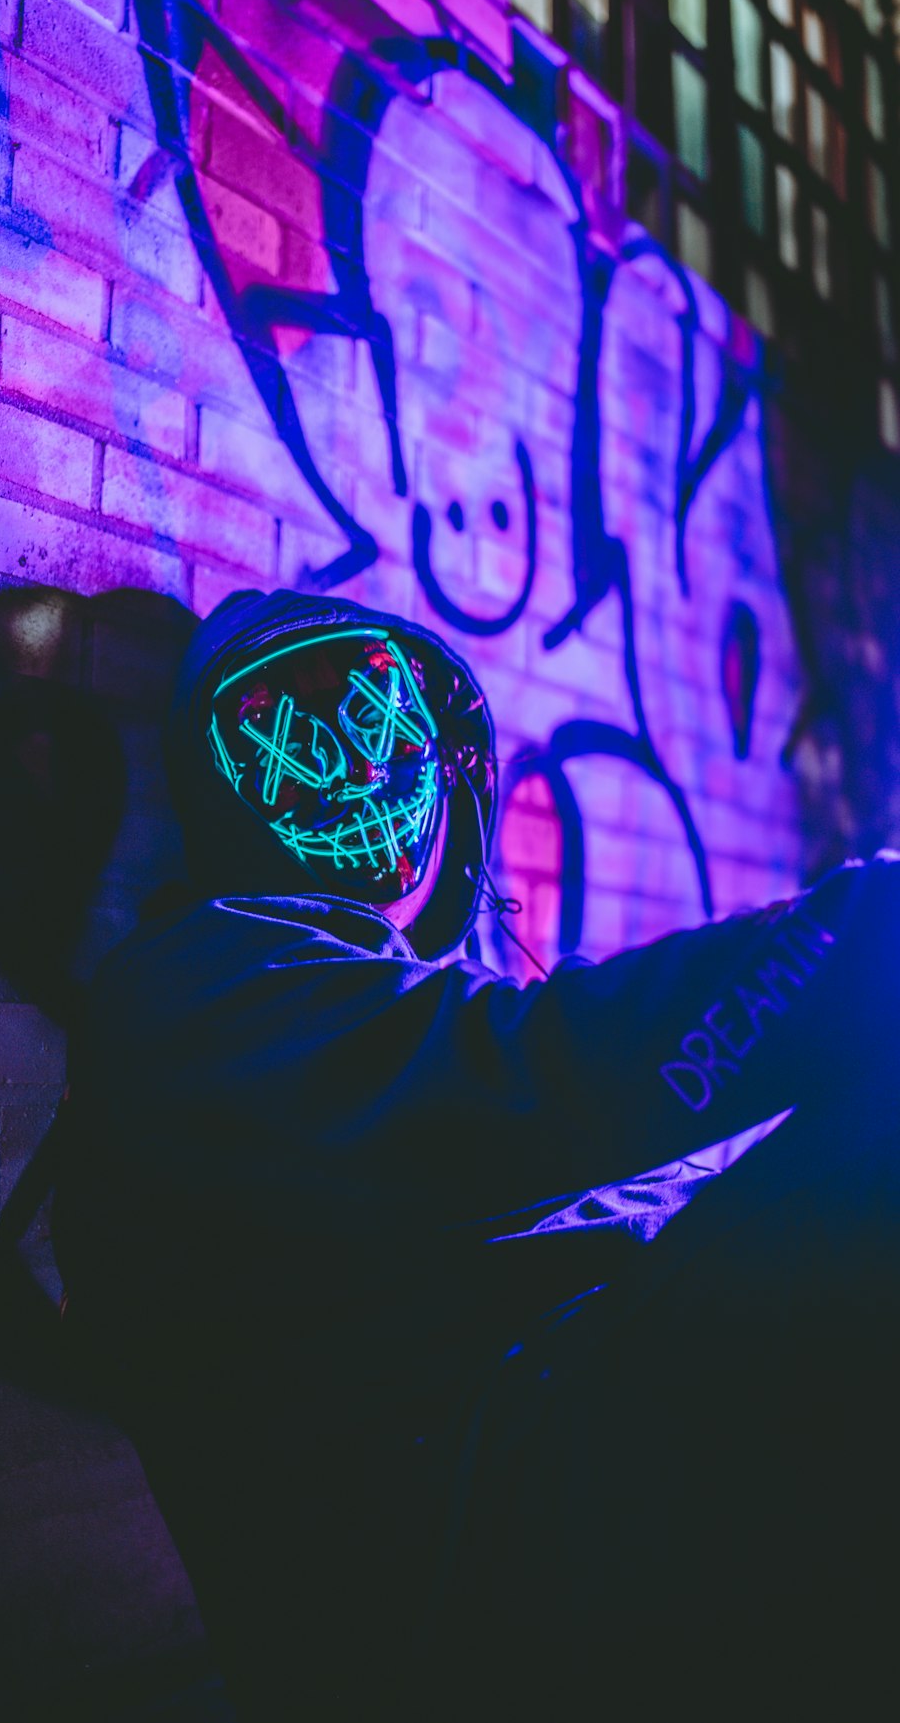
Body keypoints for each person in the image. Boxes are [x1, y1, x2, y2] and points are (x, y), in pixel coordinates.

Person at [52, 589, 900, 1721]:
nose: (350, 770)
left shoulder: (335, 1000)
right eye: (282, 734)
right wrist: (860, 932)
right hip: (467, 1551)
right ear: (220, 787)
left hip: (514, 1503)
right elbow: (536, 1081)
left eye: (371, 719)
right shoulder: (192, 989)